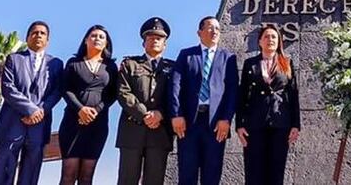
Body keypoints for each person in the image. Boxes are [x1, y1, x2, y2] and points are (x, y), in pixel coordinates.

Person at [0, 21, 63, 185]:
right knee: (2, 173)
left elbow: (57, 91)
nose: (38, 35)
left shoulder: (56, 64)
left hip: (39, 127)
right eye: (35, 32)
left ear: (48, 41)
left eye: (43, 33)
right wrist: (30, 110)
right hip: (12, 124)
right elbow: (8, 88)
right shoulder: (13, 59)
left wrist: (41, 111)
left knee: (30, 175)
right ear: (28, 37)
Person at [170, 16, 239, 185]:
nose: (214, 31)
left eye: (217, 28)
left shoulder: (228, 58)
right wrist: (176, 114)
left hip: (216, 125)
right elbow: (175, 85)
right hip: (188, 124)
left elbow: (232, 90)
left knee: (212, 175)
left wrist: (226, 119)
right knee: (187, 174)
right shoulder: (186, 55)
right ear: (199, 32)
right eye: (209, 27)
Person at [236, 24, 302, 185]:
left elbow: (293, 95)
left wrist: (295, 125)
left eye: (273, 36)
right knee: (254, 174)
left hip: (280, 124)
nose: (270, 39)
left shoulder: (286, 63)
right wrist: (239, 124)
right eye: (266, 36)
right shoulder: (250, 64)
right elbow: (242, 95)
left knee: (276, 174)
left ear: (279, 41)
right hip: (255, 125)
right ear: (260, 42)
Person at [116, 17, 176, 185]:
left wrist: (160, 113)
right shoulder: (130, 64)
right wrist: (144, 114)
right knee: (127, 180)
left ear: (165, 44)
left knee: (154, 180)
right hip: (132, 130)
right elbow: (123, 92)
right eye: (150, 37)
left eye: (159, 38)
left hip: (160, 132)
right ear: (144, 43)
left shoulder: (174, 67)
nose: (154, 40)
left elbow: (176, 96)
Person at [58, 24, 119, 185]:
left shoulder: (111, 67)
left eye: (101, 37)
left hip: (97, 125)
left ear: (106, 43)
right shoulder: (73, 63)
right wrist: (81, 109)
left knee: (87, 175)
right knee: (68, 174)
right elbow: (66, 89)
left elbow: (112, 94)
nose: (97, 39)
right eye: (93, 36)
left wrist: (96, 110)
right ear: (86, 40)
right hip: (73, 122)